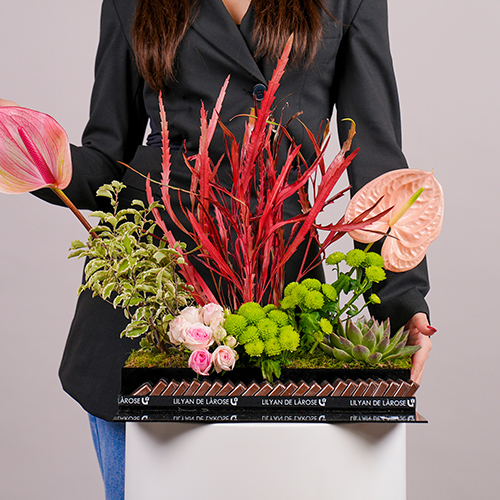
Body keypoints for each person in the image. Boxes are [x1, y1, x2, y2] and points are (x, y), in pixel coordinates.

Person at [0, 0, 435, 497]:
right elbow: (107, 161)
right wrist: (27, 153)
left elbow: (376, 163)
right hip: (149, 294)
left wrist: (405, 302)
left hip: (277, 292)